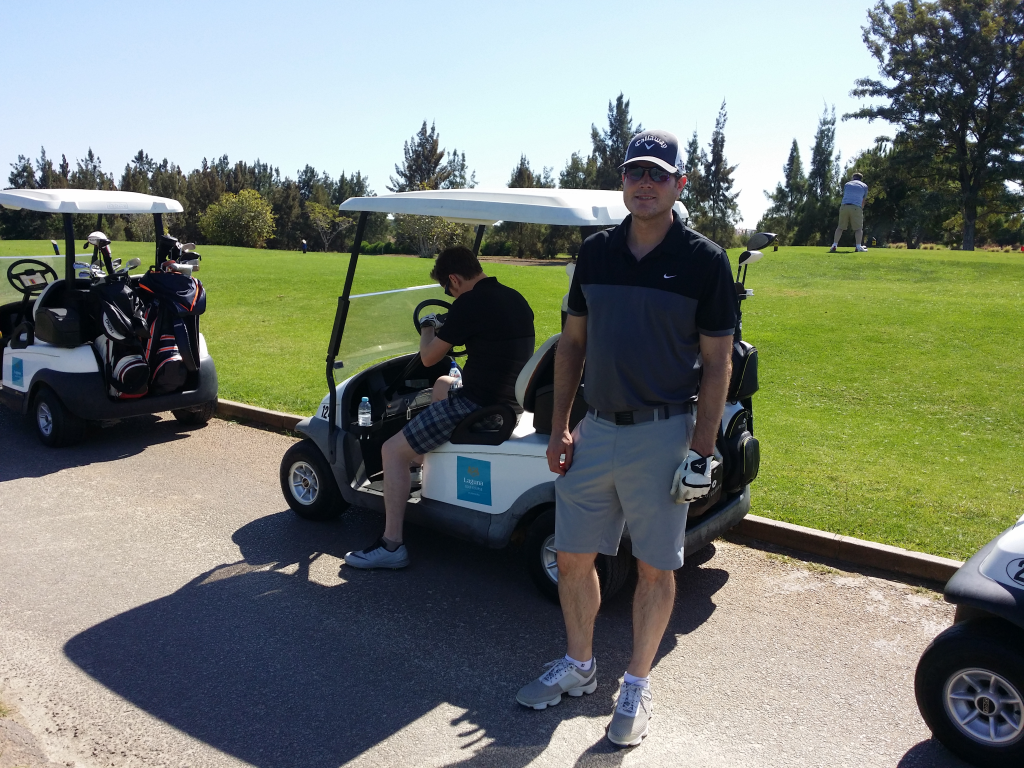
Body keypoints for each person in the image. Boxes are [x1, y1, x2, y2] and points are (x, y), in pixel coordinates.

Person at [515, 129, 737, 747]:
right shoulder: (596, 253)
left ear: (679, 185)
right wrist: (560, 426)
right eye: (635, 172)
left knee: (654, 567)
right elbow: (572, 345)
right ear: (622, 181)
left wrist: (701, 451)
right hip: (597, 429)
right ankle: (580, 665)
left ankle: (635, 685)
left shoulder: (704, 260)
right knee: (572, 556)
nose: (645, 183)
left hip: (663, 434)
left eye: (658, 174)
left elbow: (717, 363)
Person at [343, 246, 535, 569]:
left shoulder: (469, 304)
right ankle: (421, 465)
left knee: (391, 450)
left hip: (478, 406)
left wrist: (429, 327)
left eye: (447, 289)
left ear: (454, 280)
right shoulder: (513, 297)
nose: (450, 294)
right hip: (510, 403)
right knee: (443, 385)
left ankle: (391, 545)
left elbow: (429, 357)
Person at [830, 172, 869, 253]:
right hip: (856, 207)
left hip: (844, 206)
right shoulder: (864, 186)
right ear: (861, 179)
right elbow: (863, 200)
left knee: (840, 227)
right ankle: (858, 247)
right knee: (858, 229)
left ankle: (834, 245)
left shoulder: (847, 184)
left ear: (853, 178)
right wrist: (861, 209)